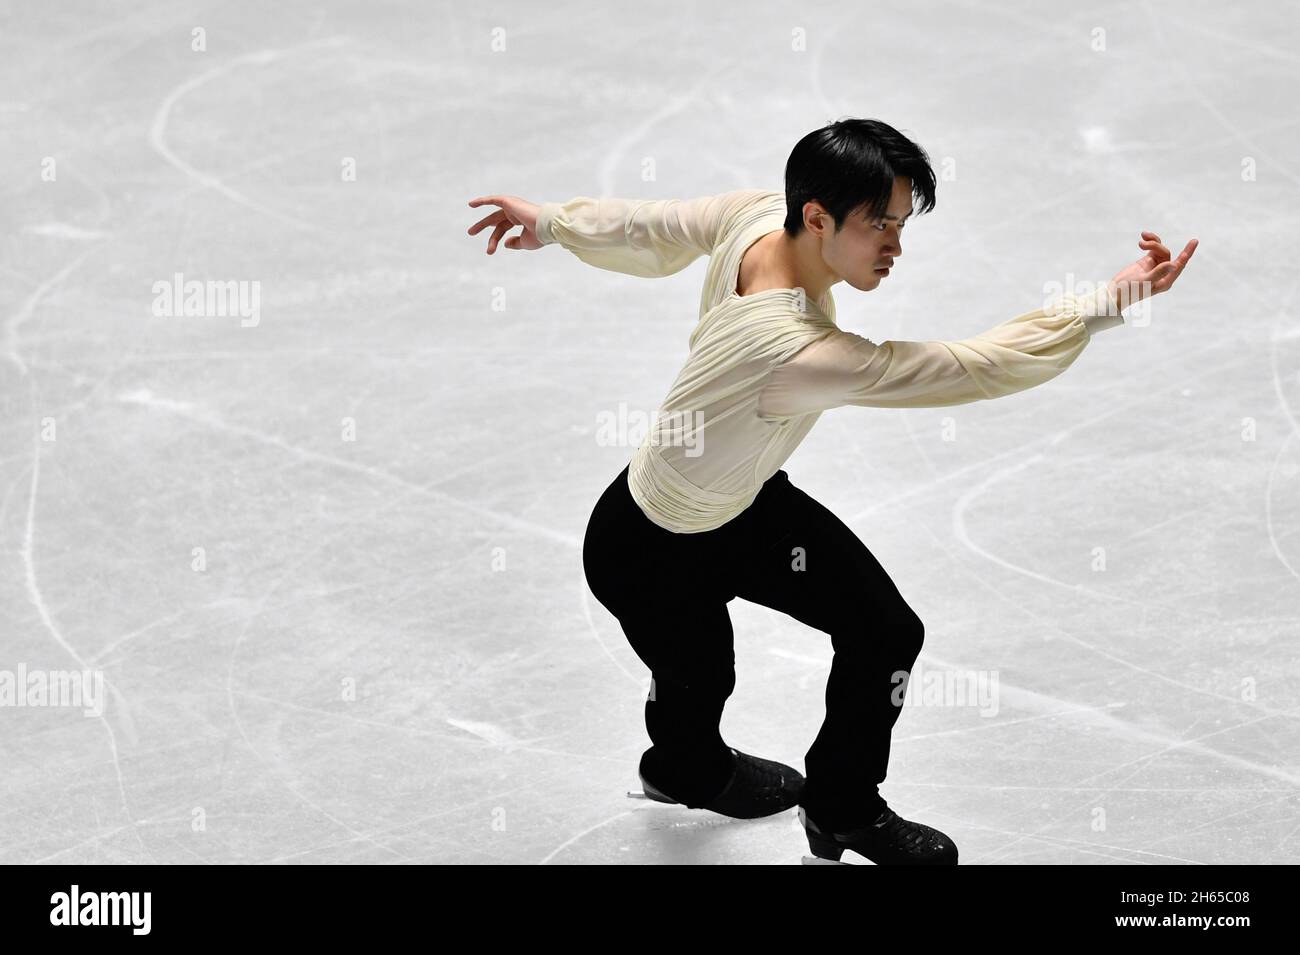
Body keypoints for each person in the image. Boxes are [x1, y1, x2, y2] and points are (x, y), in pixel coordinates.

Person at [466, 118, 1197, 865]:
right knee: (703, 668)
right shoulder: (796, 351)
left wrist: (552, 223)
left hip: (745, 506)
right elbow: (975, 366)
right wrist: (1103, 305)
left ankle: (842, 810)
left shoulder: (755, 216)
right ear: (816, 216)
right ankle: (682, 768)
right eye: (878, 224)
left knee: (884, 631)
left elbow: (648, 227)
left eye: (901, 223)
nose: (895, 246)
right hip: (648, 551)